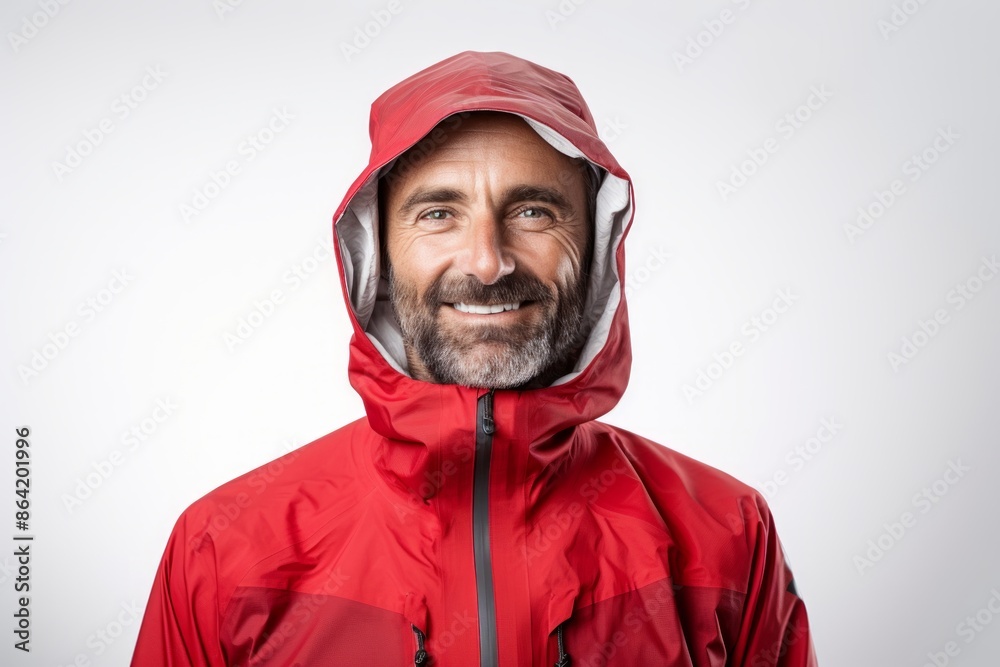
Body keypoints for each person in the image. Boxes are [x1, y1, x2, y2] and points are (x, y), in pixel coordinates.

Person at [130, 50, 818, 666]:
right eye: (439, 213)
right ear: (376, 257)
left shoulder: (725, 533)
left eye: (533, 212)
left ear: (599, 249)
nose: (487, 262)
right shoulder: (224, 550)